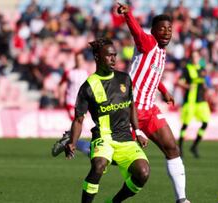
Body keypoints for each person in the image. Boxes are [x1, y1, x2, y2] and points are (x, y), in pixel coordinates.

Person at [52, 3, 190, 203]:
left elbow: (151, 75)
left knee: (172, 149)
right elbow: (136, 33)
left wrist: (165, 91)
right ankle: (77, 143)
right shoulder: (149, 42)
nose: (167, 32)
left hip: (149, 109)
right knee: (113, 159)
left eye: (170, 29)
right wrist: (128, 15)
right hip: (128, 110)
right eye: (162, 28)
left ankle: (182, 199)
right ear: (153, 31)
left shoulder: (161, 51)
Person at [65, 38, 150, 203]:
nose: (113, 59)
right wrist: (72, 142)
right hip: (103, 137)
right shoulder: (88, 86)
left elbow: (131, 105)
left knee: (143, 172)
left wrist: (138, 131)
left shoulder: (124, 79)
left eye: (115, 55)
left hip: (125, 138)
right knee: (99, 165)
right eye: (109, 56)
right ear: (97, 57)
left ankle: (114, 202)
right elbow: (78, 120)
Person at [52, 52, 90, 157]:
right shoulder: (69, 72)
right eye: (77, 59)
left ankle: (68, 140)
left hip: (82, 102)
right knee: (77, 121)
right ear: (75, 60)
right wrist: (60, 97)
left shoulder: (86, 73)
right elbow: (61, 84)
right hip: (70, 101)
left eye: (80, 59)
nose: (79, 61)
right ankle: (70, 143)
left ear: (83, 60)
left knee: (77, 123)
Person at [177, 50, 211, 158]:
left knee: (205, 123)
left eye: (196, 56)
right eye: (193, 57)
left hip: (201, 101)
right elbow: (180, 82)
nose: (195, 58)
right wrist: (187, 86)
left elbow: (205, 83)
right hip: (190, 101)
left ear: (199, 58)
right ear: (191, 58)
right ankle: (180, 149)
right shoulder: (187, 69)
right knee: (185, 125)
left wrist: (206, 88)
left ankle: (194, 146)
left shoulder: (202, 70)